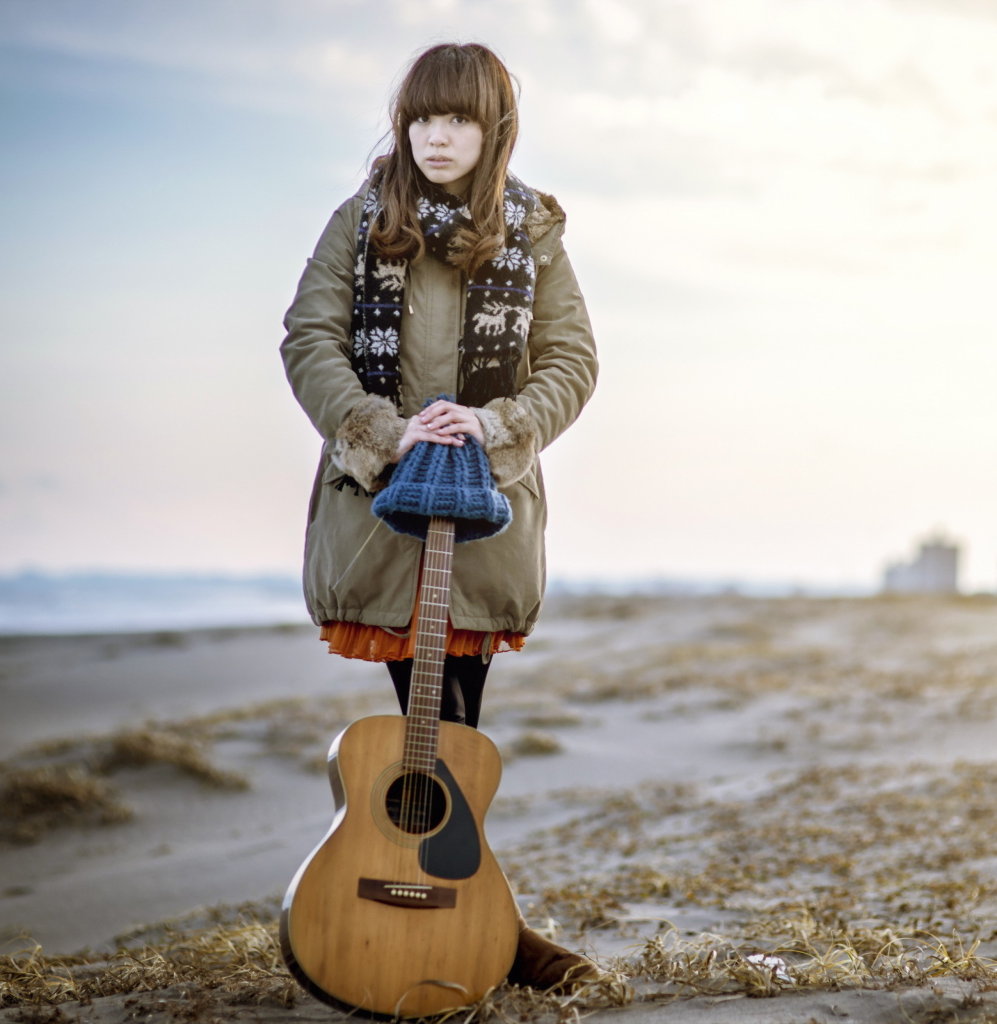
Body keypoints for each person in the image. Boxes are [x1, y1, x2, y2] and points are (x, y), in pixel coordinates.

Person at [279, 43, 598, 990]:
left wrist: (497, 424)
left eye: (456, 118)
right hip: (378, 509)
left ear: (492, 127)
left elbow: (572, 361)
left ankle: (475, 926)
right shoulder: (360, 219)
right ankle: (492, 930)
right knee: (428, 723)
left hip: (486, 516)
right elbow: (309, 335)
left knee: (456, 719)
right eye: (421, 118)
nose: (436, 136)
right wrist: (381, 428)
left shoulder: (533, 231)